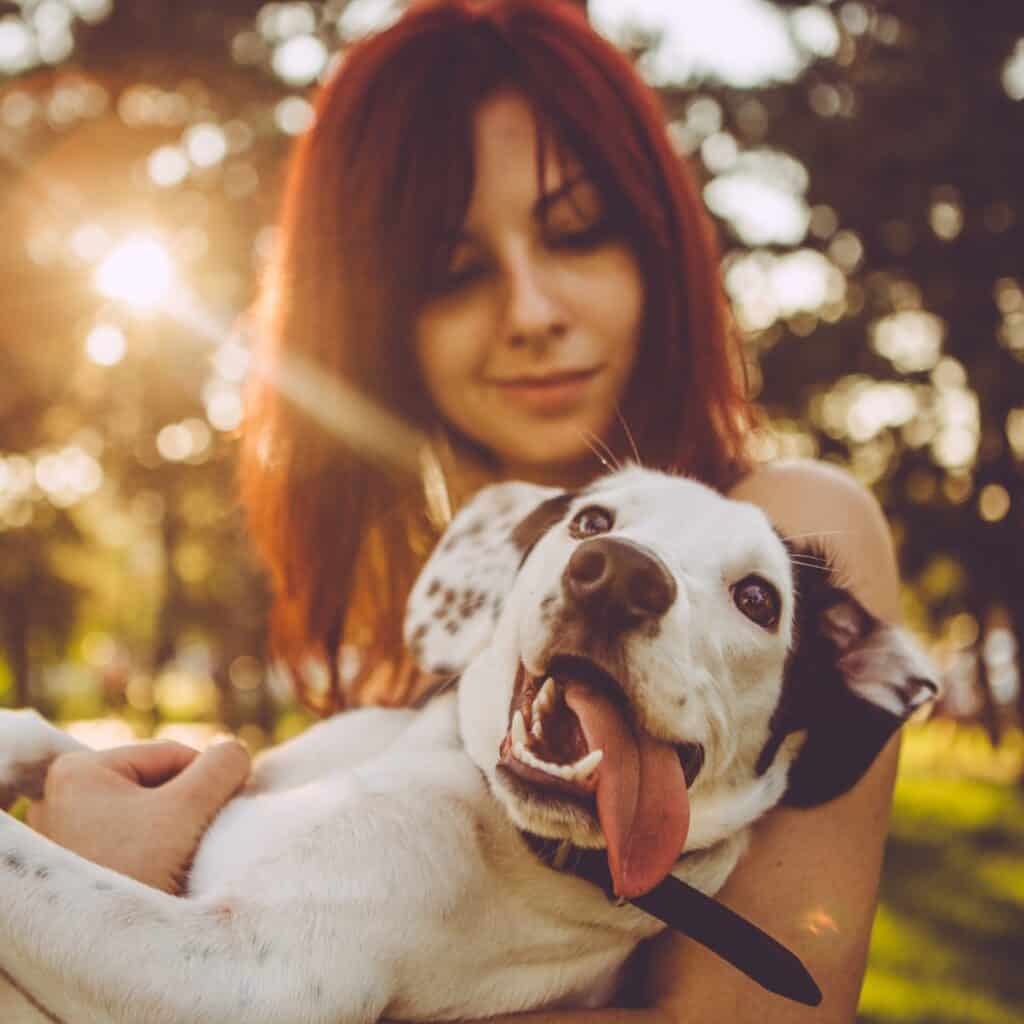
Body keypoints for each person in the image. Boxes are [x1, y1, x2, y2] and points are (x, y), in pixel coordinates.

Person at [27, 1, 905, 1020]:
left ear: (656, 246)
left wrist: (115, 921)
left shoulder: (793, 540)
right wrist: (95, 868)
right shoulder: (434, 619)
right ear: (369, 318)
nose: (533, 311)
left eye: (578, 232)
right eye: (456, 270)